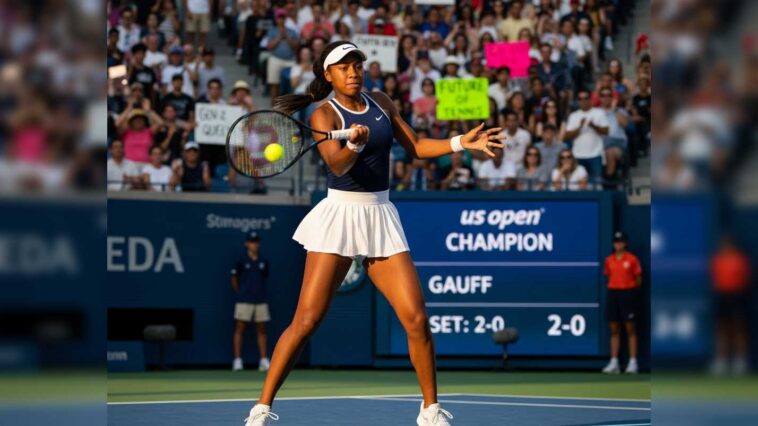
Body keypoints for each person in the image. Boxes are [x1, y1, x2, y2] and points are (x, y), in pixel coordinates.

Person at [248, 41, 504, 426]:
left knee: (416, 319)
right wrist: (352, 142)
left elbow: (416, 145)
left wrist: (459, 143)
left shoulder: (382, 100)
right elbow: (337, 164)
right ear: (328, 75)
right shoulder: (323, 115)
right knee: (306, 321)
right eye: (344, 67)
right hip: (340, 215)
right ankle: (262, 408)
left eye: (357, 65)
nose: (353, 72)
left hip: (380, 215)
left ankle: (430, 411)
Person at [601, 231, 642, 375]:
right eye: (616, 242)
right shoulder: (609, 260)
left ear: (625, 243)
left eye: (620, 241)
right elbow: (608, 276)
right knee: (614, 329)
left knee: (630, 329)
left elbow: (638, 280)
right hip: (613, 294)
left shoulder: (632, 259)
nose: (618, 244)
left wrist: (628, 290)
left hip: (628, 294)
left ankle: (633, 362)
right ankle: (614, 362)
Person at [710, 236, 752, 376]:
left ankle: (740, 361)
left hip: (737, 296)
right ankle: (721, 361)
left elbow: (745, 278)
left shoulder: (739, 259)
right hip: (722, 296)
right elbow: (715, 277)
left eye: (727, 244)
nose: (725, 246)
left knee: (738, 328)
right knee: (721, 329)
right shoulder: (718, 259)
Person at [231, 232, 272, 372]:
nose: (254, 244)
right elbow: (234, 279)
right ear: (246, 243)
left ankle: (263, 360)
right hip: (244, 300)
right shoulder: (240, 260)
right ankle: (237, 360)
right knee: (239, 329)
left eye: (256, 241)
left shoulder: (263, 260)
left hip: (260, 300)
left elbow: (264, 277)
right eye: (251, 241)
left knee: (262, 330)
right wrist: (241, 293)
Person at [564, 89, 608, 186]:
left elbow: (606, 131)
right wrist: (580, 127)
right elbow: (566, 136)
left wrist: (593, 125)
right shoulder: (574, 116)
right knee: (577, 186)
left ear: (590, 99)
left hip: (596, 155)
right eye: (580, 99)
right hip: (578, 155)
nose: (583, 101)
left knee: (597, 185)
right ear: (578, 101)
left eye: (586, 98)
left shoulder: (599, 113)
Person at [266, 8, 299, 100]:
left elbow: (296, 46)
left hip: (290, 60)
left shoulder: (292, 31)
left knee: (291, 84)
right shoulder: (272, 31)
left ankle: (289, 106)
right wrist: (279, 36)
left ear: (285, 19)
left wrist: (287, 36)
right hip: (275, 59)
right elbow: (270, 46)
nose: (281, 20)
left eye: (283, 18)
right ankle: (274, 107)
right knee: (274, 84)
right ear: (276, 19)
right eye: (279, 18)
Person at [598, 87, 629, 185]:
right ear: (600, 98)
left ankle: (609, 182)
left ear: (612, 97)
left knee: (609, 152)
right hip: (599, 142)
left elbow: (625, 124)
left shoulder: (620, 110)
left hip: (617, 142)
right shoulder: (595, 112)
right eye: (603, 95)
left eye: (609, 95)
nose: (606, 97)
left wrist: (614, 110)